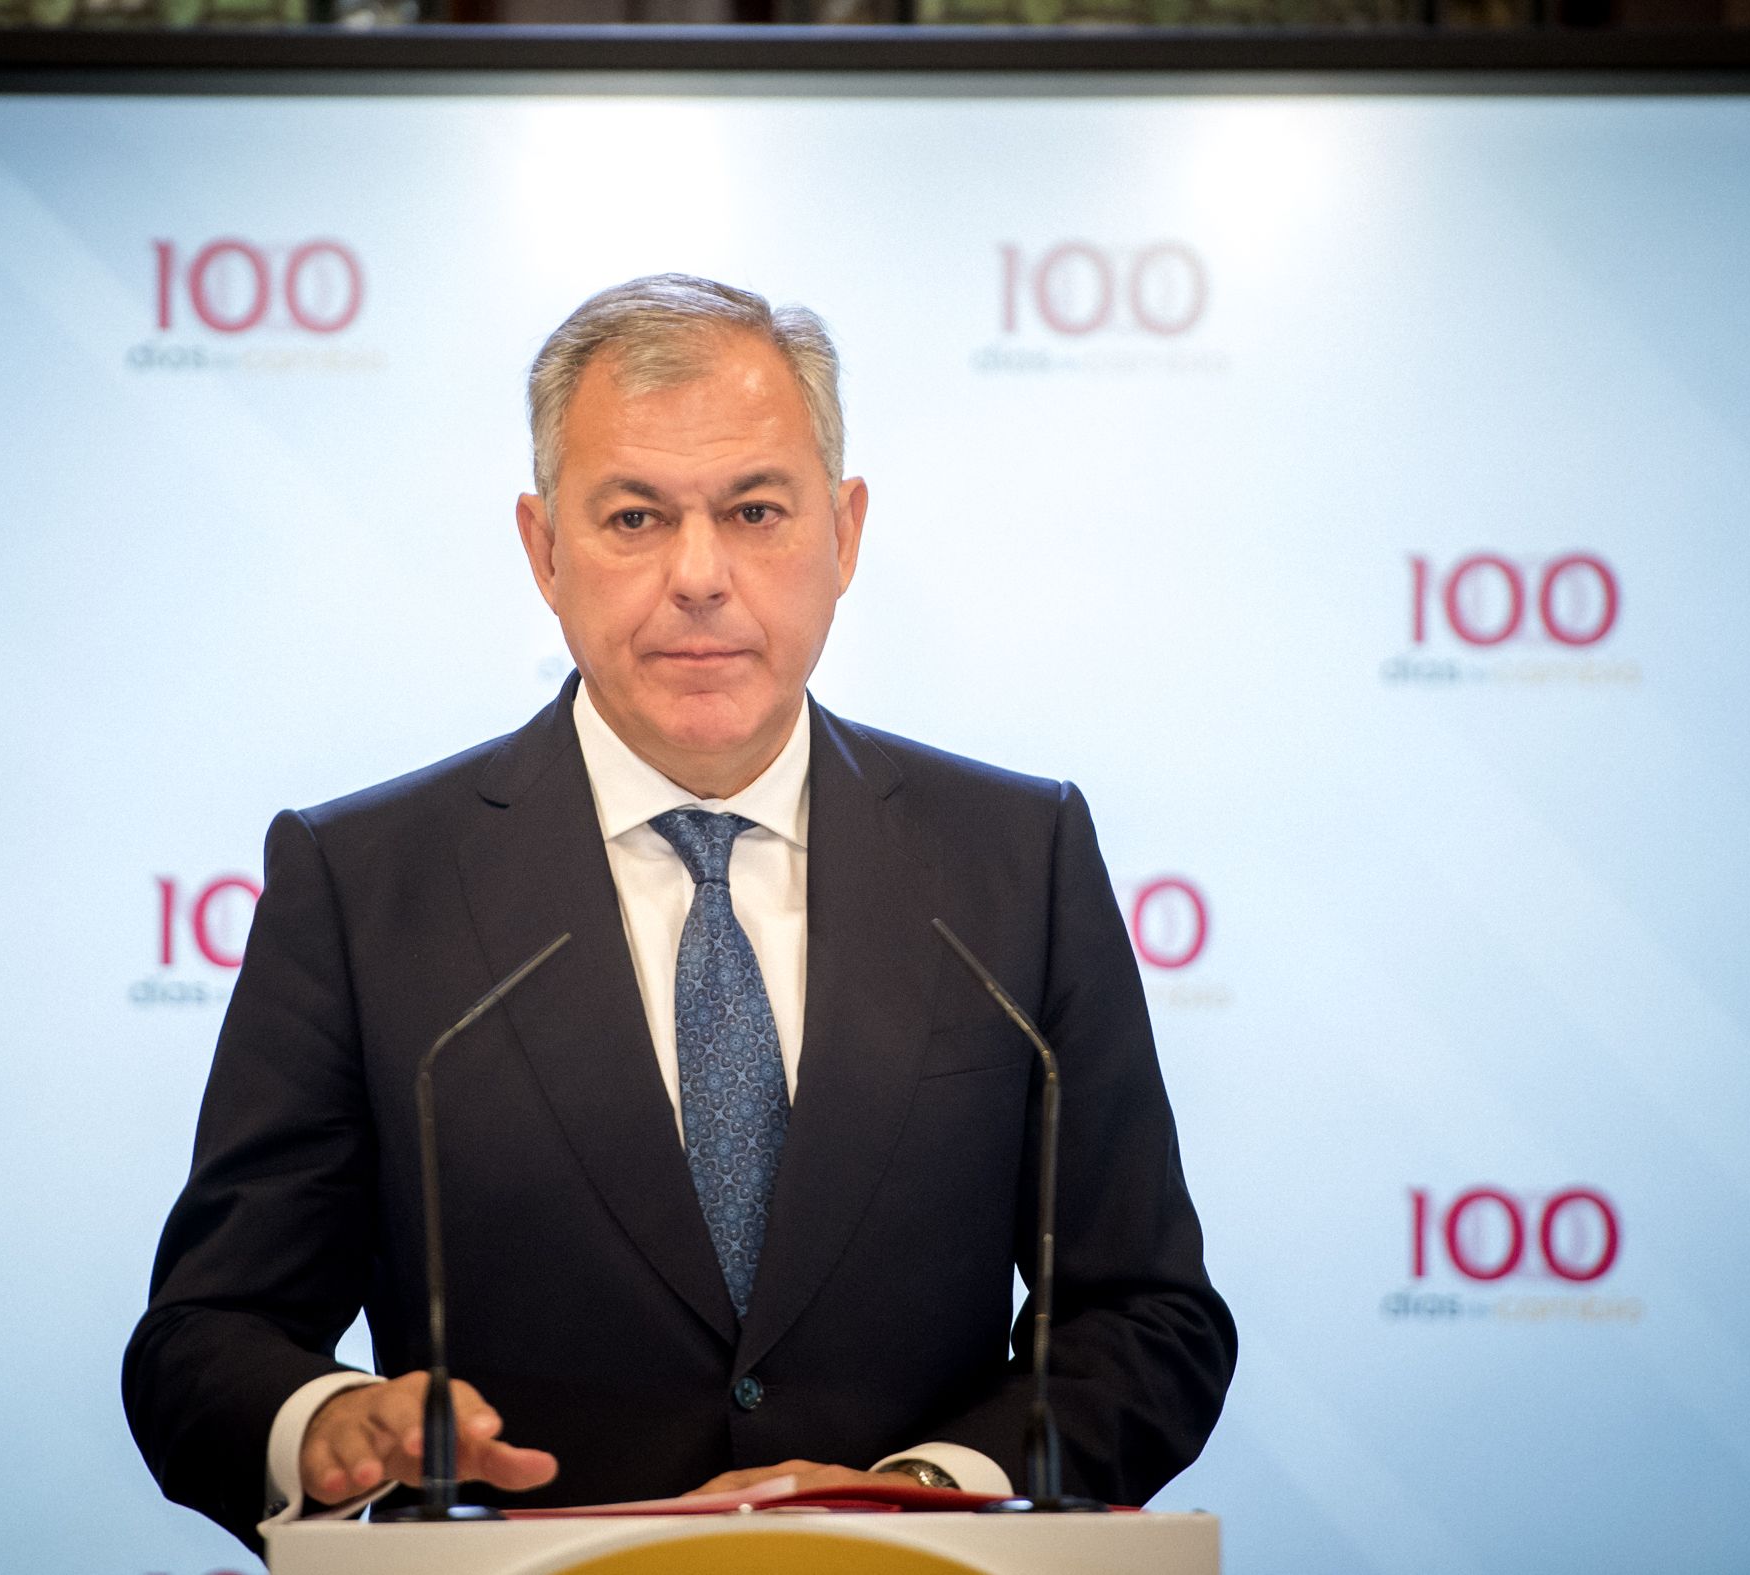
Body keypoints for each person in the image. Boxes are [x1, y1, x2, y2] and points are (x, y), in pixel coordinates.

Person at [122, 274, 1236, 1552]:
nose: (699, 576)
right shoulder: (364, 881)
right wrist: (324, 1421)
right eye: (635, 517)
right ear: (544, 550)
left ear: (844, 532)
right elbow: (202, 1342)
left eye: (756, 511)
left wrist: (917, 1501)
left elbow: (1148, 1318)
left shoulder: (1015, 857)